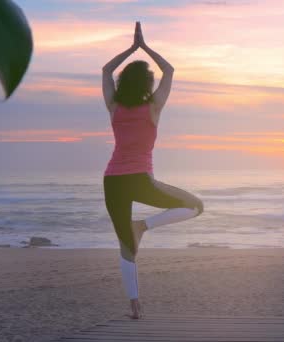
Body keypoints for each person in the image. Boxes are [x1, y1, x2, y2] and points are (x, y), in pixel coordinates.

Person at [101, 22, 204, 319]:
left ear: (123, 83)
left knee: (126, 246)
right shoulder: (154, 108)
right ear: (147, 85)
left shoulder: (113, 106)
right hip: (140, 181)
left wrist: (131, 49)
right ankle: (143, 226)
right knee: (196, 206)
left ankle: (135, 306)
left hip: (112, 181)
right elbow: (169, 71)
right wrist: (145, 47)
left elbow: (106, 71)